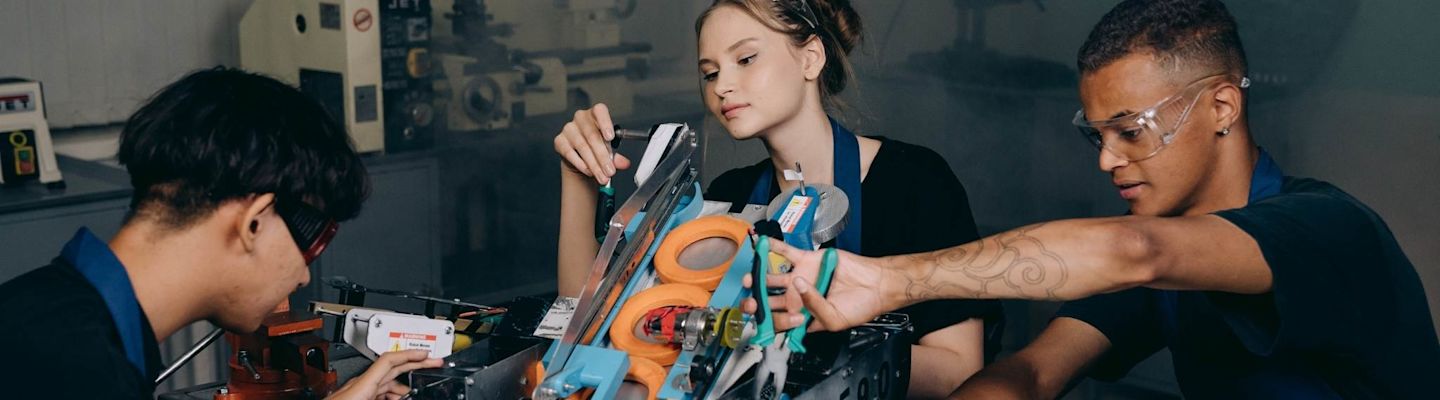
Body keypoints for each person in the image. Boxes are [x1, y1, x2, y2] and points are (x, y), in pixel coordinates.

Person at [755, 0, 1440, 398]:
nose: (1108, 159)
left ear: (1223, 106)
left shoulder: (1326, 227)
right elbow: (1031, 372)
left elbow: (1133, 252)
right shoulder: (1167, 266)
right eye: (1097, 134)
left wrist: (889, 279)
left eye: (1129, 131)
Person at [551, 0, 1002, 396]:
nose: (721, 85)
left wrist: (812, 338)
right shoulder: (729, 200)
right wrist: (578, 179)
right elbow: (590, 323)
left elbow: (957, 371)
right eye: (709, 73)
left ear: (810, 59)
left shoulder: (915, 182)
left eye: (745, 59)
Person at [0, 67, 442, 399]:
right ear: (253, 222)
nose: (305, 277)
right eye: (313, 243)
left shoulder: (57, 317)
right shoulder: (74, 369)